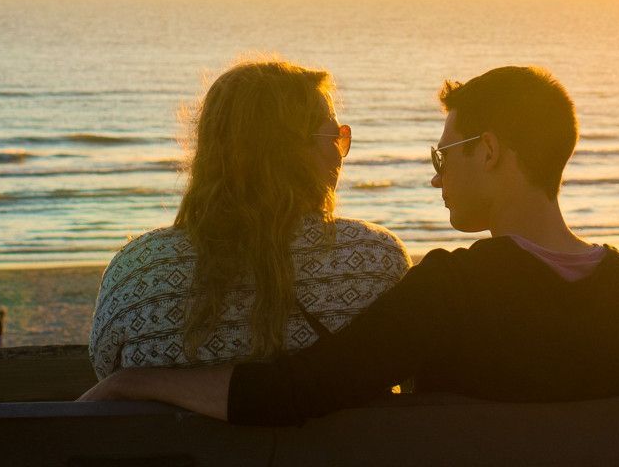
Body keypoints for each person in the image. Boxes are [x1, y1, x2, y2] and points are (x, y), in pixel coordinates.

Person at [81, 65, 619, 425]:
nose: (436, 175)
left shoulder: (450, 292)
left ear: (488, 152)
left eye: (444, 154)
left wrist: (136, 381)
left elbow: (293, 393)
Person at [87, 59, 409, 380]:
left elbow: (105, 372)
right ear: (297, 151)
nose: (341, 151)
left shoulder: (137, 271)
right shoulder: (378, 261)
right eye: (335, 137)